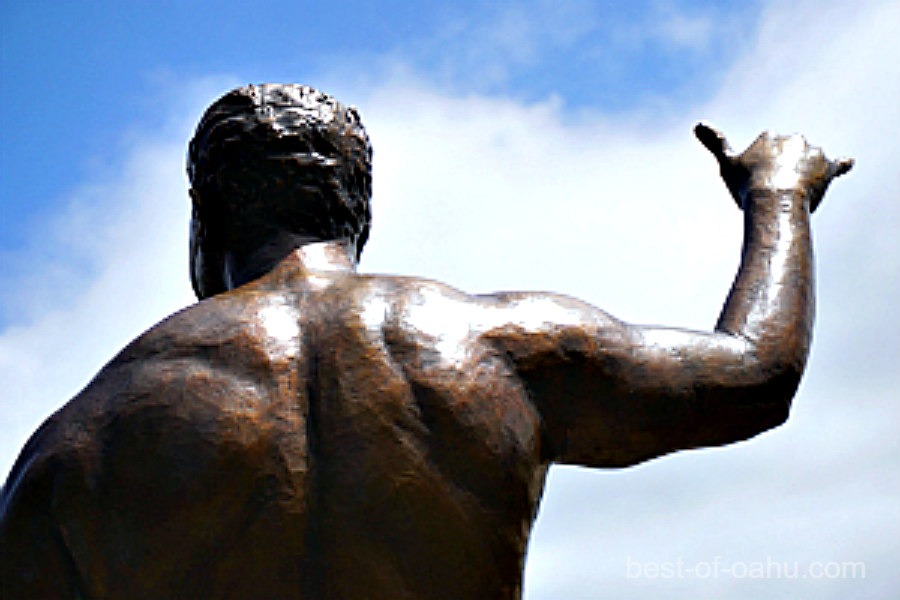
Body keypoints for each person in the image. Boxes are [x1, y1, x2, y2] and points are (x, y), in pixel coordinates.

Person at [0, 84, 852, 599]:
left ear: (204, 222)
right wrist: (777, 193)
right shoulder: (498, 348)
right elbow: (757, 371)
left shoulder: (82, 443)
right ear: (358, 217)